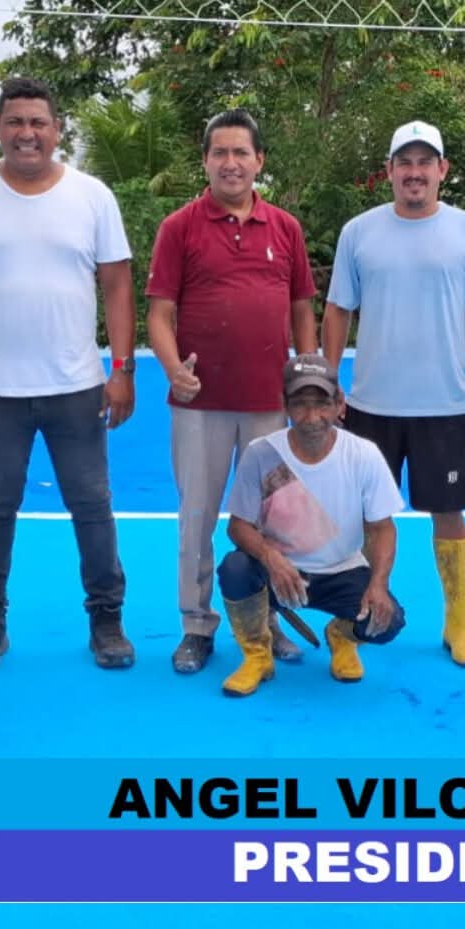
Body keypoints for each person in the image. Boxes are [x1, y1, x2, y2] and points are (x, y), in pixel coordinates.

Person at [0, 77, 139, 672]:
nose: (27, 133)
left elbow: (117, 286)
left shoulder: (92, 196)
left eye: (38, 122)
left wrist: (122, 370)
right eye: (15, 122)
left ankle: (107, 619)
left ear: (56, 130)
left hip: (77, 386)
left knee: (92, 505)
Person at [323, 120, 465, 669]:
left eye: (425, 161)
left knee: (448, 514)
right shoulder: (359, 232)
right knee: (360, 521)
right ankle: (351, 626)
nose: (414, 172)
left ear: (442, 170)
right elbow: (338, 309)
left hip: (444, 405)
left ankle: (458, 625)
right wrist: (328, 379)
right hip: (369, 406)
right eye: (404, 162)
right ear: (388, 171)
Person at [147, 109, 317, 674]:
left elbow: (301, 309)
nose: (230, 162)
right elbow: (160, 314)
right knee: (196, 518)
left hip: (269, 404)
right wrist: (173, 369)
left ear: (259, 160)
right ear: (205, 161)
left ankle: (267, 621)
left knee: (271, 521)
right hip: (199, 406)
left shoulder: (286, 229)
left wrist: (308, 378)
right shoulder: (179, 228)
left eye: (241, 152)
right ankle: (197, 625)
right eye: (219, 152)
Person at [214, 353, 407, 695]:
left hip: (343, 570)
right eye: (300, 404)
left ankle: (341, 635)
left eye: (322, 404)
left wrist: (378, 584)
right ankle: (257, 655)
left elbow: (383, 528)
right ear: (285, 405)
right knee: (235, 568)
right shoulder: (261, 453)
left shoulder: (363, 454)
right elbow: (237, 527)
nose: (312, 417)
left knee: (388, 622)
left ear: (339, 403)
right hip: (278, 574)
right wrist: (272, 559)